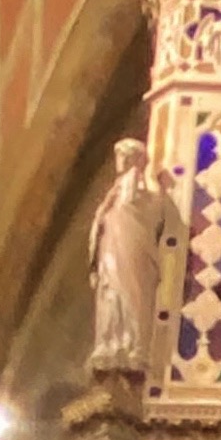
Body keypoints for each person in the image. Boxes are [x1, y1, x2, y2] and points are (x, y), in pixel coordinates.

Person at [87, 137, 175, 376]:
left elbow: (152, 212)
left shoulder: (135, 184)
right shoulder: (118, 189)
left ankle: (130, 345)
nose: (120, 160)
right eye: (119, 155)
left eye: (124, 155)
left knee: (128, 292)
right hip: (111, 250)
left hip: (130, 249)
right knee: (111, 294)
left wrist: (158, 187)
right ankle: (112, 344)